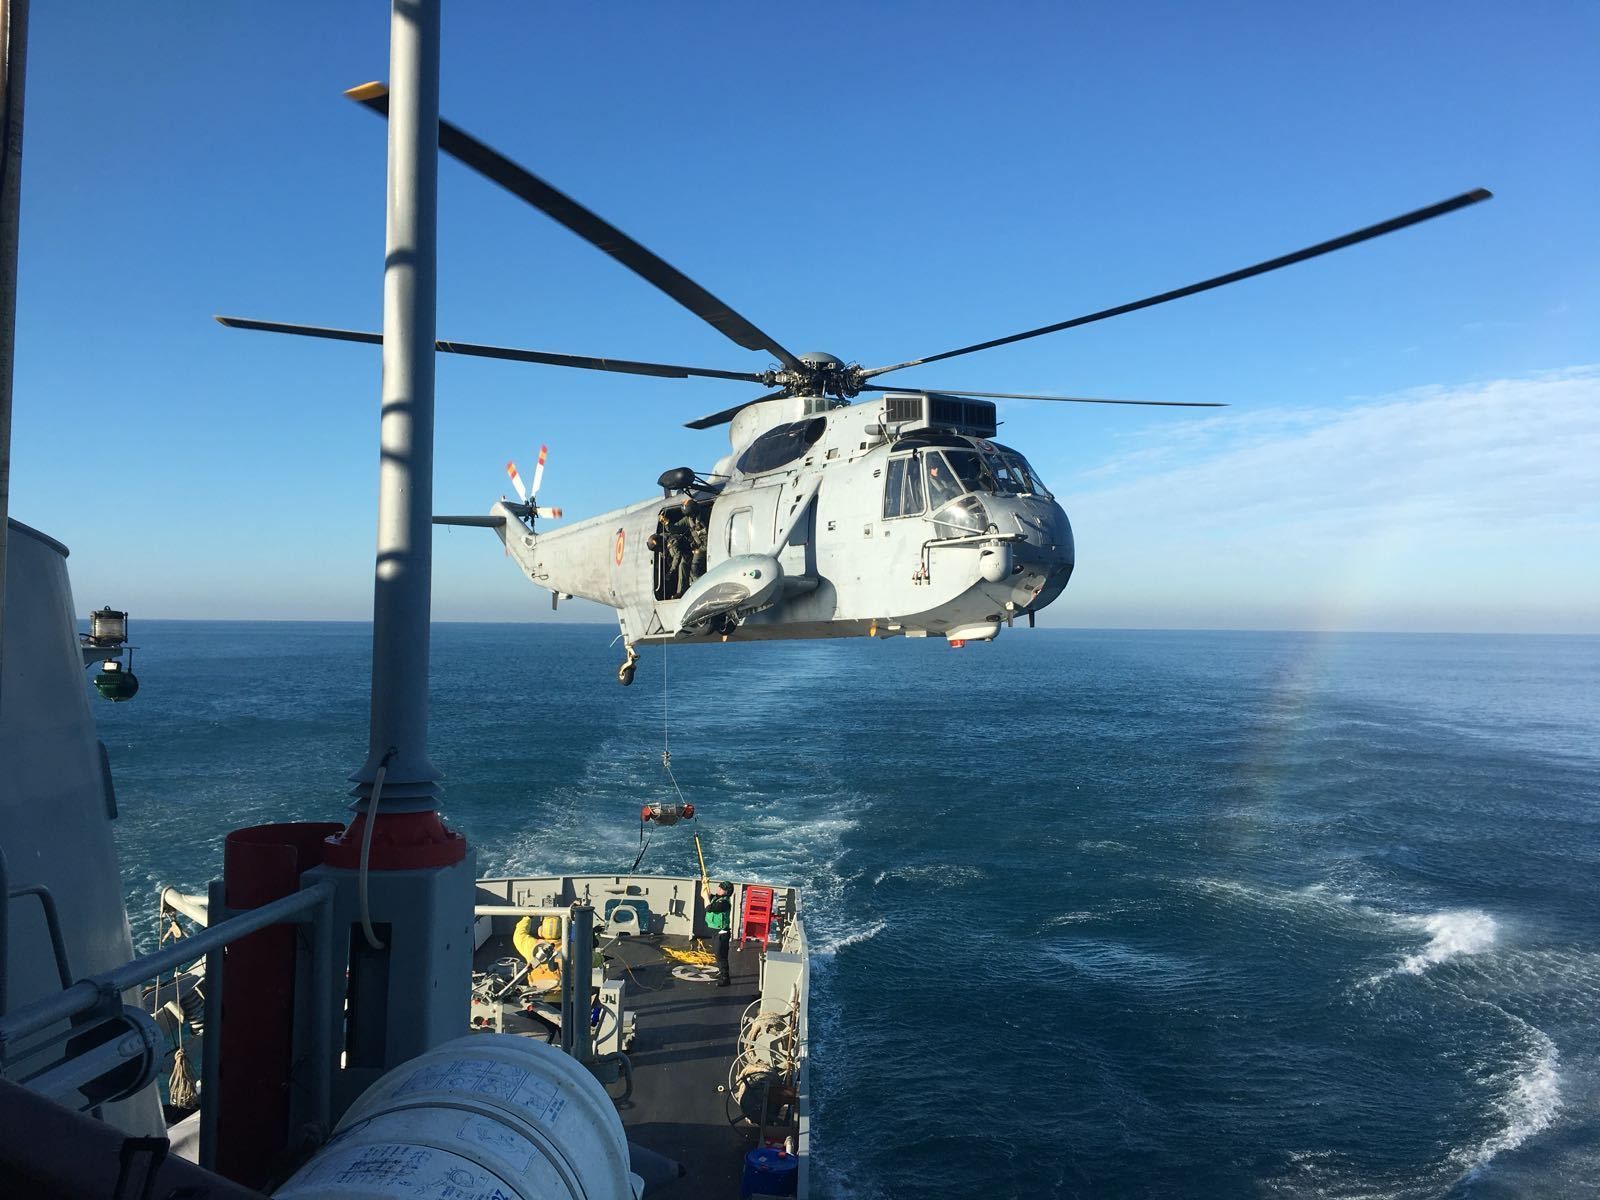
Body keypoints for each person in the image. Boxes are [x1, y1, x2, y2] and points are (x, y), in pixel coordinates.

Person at [702, 879, 734, 987]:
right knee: (717, 954)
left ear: (726, 892)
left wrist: (706, 897)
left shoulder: (724, 903)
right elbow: (705, 895)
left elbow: (708, 907)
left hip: (722, 933)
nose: (719, 889)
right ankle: (721, 972)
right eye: (719, 887)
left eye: (721, 888)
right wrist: (705, 884)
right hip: (716, 932)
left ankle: (725, 978)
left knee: (721, 956)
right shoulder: (717, 898)